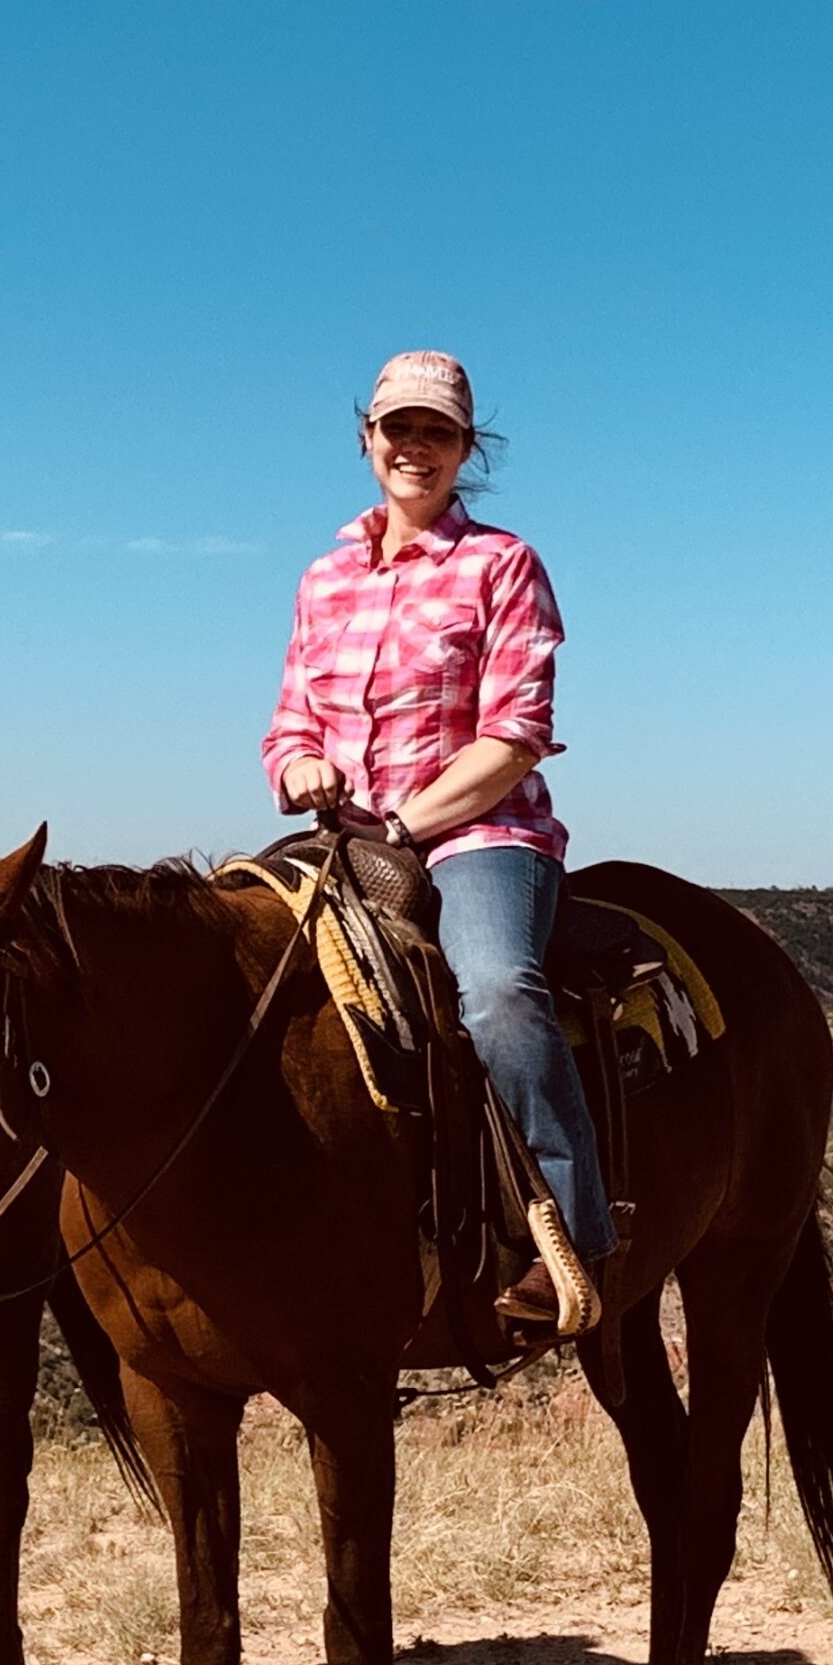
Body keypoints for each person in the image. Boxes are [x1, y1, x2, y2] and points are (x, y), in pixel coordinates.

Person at [261, 350, 615, 1319]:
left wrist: (406, 822)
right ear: (367, 439)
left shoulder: (501, 567)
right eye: (397, 429)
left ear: (466, 449)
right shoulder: (322, 579)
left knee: (497, 988)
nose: (414, 447)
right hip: (340, 838)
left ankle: (575, 1234)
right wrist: (297, 769)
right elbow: (290, 722)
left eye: (437, 432)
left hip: (476, 836)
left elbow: (513, 739)